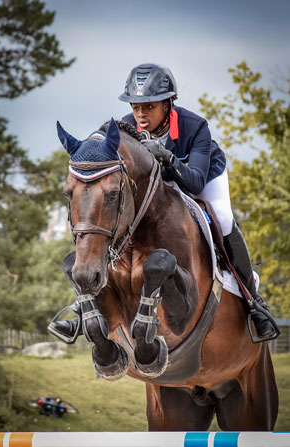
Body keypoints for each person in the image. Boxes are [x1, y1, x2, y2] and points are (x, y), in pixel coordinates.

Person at [49, 63, 278, 343]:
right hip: (156, 188)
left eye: (149, 107)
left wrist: (168, 158)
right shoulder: (127, 126)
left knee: (224, 218)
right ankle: (88, 308)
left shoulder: (195, 127)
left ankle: (253, 302)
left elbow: (193, 182)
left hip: (201, 177)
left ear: (168, 103)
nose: (141, 115)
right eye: (136, 107)